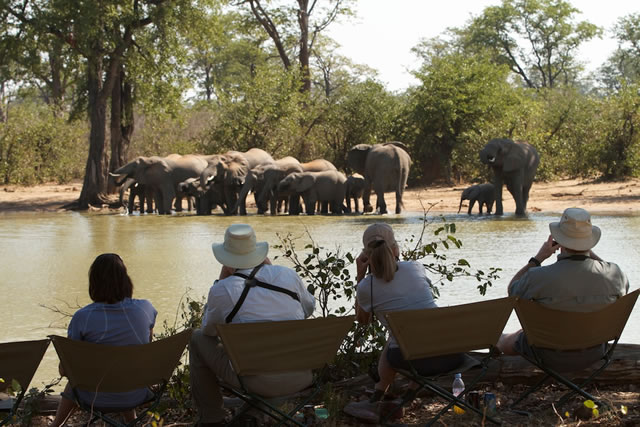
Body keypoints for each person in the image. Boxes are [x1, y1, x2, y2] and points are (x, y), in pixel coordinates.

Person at [189, 223, 316, 427]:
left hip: (255, 380)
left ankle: (212, 419)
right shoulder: (288, 276)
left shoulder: (223, 289)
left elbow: (209, 332)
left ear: (227, 262)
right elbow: (308, 310)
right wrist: (272, 274)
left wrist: (220, 281)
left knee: (196, 338)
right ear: (258, 254)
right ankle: (255, 412)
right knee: (273, 355)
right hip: (300, 375)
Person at [497, 207, 629, 368]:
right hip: (595, 352)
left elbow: (512, 292)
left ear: (559, 241)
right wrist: (587, 251)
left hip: (546, 354)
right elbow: (623, 286)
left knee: (503, 338)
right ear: (589, 241)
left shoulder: (537, 276)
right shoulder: (615, 273)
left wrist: (538, 258)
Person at [355, 223, 465, 403]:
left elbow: (362, 321)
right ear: (395, 249)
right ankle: (407, 395)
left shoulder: (367, 286)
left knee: (397, 339)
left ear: (366, 256)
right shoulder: (415, 267)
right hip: (451, 354)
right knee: (405, 335)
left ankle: (378, 396)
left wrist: (360, 276)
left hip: (408, 359)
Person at [50, 253, 157, 427]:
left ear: (94, 282)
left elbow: (66, 370)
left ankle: (55, 426)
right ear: (125, 280)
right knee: (124, 367)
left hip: (94, 395)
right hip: (136, 392)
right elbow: (146, 348)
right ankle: (132, 423)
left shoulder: (83, 317)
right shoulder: (146, 308)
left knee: (74, 381)